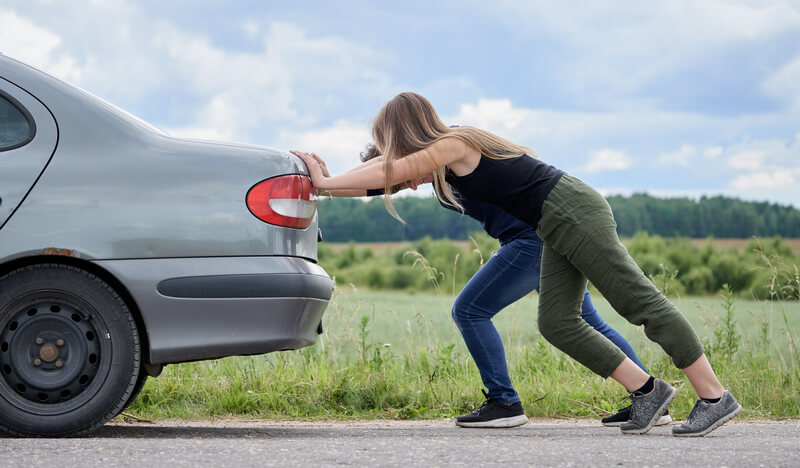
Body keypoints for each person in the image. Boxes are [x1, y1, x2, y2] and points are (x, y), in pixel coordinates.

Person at [292, 92, 742, 437]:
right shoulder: (441, 161)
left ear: (407, 134)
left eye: (394, 146)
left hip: (571, 210)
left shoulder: (454, 143)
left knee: (637, 301)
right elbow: (380, 183)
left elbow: (392, 172)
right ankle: (648, 392)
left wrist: (326, 180)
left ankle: (714, 396)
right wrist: (322, 188)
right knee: (559, 322)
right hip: (550, 224)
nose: (396, 161)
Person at [345, 144, 668, 428]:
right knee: (586, 321)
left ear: (407, 157)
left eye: (406, 178)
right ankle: (650, 397)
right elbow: (371, 185)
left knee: (470, 311)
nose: (412, 187)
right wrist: (318, 183)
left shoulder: (453, 154)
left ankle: (504, 403)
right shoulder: (440, 178)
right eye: (402, 186)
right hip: (545, 237)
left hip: (531, 239)